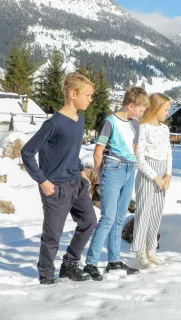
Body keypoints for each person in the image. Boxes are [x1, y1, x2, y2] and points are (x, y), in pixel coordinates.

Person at [21, 72, 97, 284]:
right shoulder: (53, 124)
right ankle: (46, 278)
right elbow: (27, 152)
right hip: (56, 188)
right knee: (52, 236)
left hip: (77, 184)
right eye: (88, 95)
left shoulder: (79, 119)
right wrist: (43, 181)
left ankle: (69, 264)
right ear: (73, 94)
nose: (91, 99)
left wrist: (81, 171)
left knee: (89, 222)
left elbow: (72, 151)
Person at [83, 87, 148, 281]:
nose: (141, 113)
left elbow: (134, 149)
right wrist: (102, 175)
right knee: (108, 218)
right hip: (113, 168)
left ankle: (114, 261)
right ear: (130, 105)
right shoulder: (109, 122)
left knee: (120, 218)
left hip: (129, 169)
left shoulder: (134, 125)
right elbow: (98, 151)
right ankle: (91, 263)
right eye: (141, 109)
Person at [132, 93, 172, 269]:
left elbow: (169, 153)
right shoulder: (143, 127)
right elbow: (139, 158)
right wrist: (155, 177)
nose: (167, 113)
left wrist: (167, 175)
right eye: (165, 109)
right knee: (144, 212)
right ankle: (140, 251)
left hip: (162, 173)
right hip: (148, 174)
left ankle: (151, 250)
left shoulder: (164, 129)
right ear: (155, 108)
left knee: (156, 212)